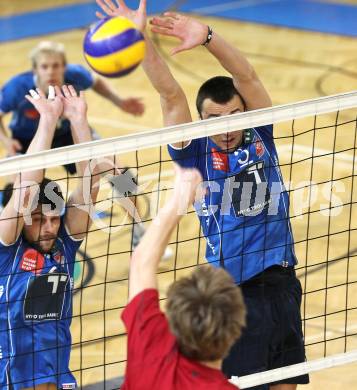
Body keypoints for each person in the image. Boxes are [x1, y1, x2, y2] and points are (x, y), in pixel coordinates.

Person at [96, 1, 309, 389]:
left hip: (283, 284)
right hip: (234, 294)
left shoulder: (259, 131)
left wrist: (208, 36)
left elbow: (246, 74)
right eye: (214, 120)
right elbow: (170, 95)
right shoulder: (192, 149)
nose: (227, 129)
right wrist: (138, 38)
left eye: (233, 117)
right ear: (201, 121)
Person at [0, 85, 100, 389]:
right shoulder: (6, 249)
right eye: (40, 219)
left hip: (58, 375)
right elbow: (26, 185)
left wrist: (78, 120)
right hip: (12, 379)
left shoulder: (64, 247)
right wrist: (47, 120)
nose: (49, 227)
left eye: (55, 219)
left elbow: (90, 183)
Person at [123, 162, 246, 389]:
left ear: (174, 320)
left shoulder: (151, 346)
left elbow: (141, 262)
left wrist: (180, 199)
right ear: (234, 332)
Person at [0, 40, 144, 172]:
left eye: (56, 65)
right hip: (28, 138)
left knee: (115, 169)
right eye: (44, 67)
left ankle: (131, 196)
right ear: (35, 70)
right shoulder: (17, 88)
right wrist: (6, 141)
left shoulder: (75, 75)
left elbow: (95, 82)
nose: (50, 71)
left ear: (64, 66)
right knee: (18, 187)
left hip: (68, 132)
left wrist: (119, 101)